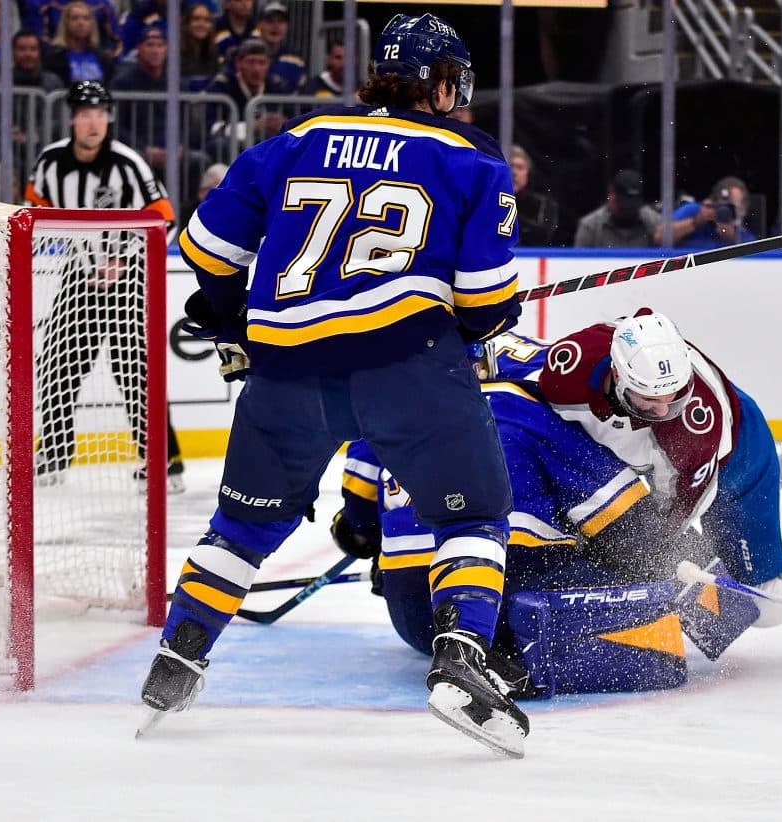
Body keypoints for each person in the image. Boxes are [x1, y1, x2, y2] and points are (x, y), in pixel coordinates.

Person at [145, 13, 528, 757]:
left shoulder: (294, 140)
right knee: (475, 515)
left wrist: (231, 323)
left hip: (285, 375)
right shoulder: (474, 159)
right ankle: (460, 661)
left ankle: (178, 657)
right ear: (441, 82)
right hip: (409, 371)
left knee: (245, 526)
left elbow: (205, 246)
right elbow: (483, 305)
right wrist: (489, 318)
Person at [333, 335, 782, 698]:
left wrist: (374, 542)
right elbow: (630, 528)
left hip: (414, 618)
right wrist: (671, 563)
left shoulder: (402, 405)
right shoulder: (544, 402)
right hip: (473, 606)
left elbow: (358, 508)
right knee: (704, 587)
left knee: (756, 597)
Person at [532, 309, 782, 648]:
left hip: (736, 466)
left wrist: (614, 543)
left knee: (761, 603)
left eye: (674, 396)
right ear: (617, 372)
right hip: (697, 451)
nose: (664, 409)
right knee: (649, 457)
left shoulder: (690, 430)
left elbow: (664, 528)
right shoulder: (571, 363)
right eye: (648, 400)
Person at [22, 80, 185, 493]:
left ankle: (164, 462)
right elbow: (32, 210)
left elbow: (164, 218)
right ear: (73, 118)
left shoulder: (128, 164)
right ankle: (55, 454)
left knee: (135, 371)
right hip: (77, 279)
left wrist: (122, 259)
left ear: (108, 117)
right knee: (57, 364)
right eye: (85, 114)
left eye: (100, 113)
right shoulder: (50, 162)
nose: (94, 123)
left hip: (127, 282)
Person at [661, 175, 756, 248]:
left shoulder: (743, 234)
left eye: (731, 206)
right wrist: (695, 222)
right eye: (722, 205)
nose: (725, 210)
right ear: (713, 201)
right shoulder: (694, 211)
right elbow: (658, 237)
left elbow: (755, 260)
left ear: (744, 207)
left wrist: (733, 239)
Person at [573, 169, 659, 248]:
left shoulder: (656, 223)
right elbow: (580, 262)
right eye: (622, 204)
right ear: (611, 195)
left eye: (632, 205)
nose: (627, 210)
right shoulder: (590, 226)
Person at [41, 0, 114, 85]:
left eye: (86, 18)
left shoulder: (102, 58)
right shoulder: (54, 57)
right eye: (75, 18)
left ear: (92, 24)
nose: (81, 23)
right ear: (66, 23)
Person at [509, 144, 559, 246]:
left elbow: (542, 236)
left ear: (528, 173)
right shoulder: (487, 201)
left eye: (520, 167)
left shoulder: (544, 204)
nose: (514, 172)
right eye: (510, 166)